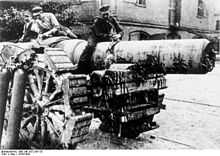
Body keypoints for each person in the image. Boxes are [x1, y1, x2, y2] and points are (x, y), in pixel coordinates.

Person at [77, 5, 124, 74]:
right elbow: (98, 34)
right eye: (104, 14)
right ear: (101, 14)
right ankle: (81, 66)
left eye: (107, 14)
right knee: (90, 46)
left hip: (107, 37)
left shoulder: (112, 19)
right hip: (95, 37)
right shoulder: (97, 21)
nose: (105, 16)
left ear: (109, 12)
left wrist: (118, 35)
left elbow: (121, 30)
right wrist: (110, 36)